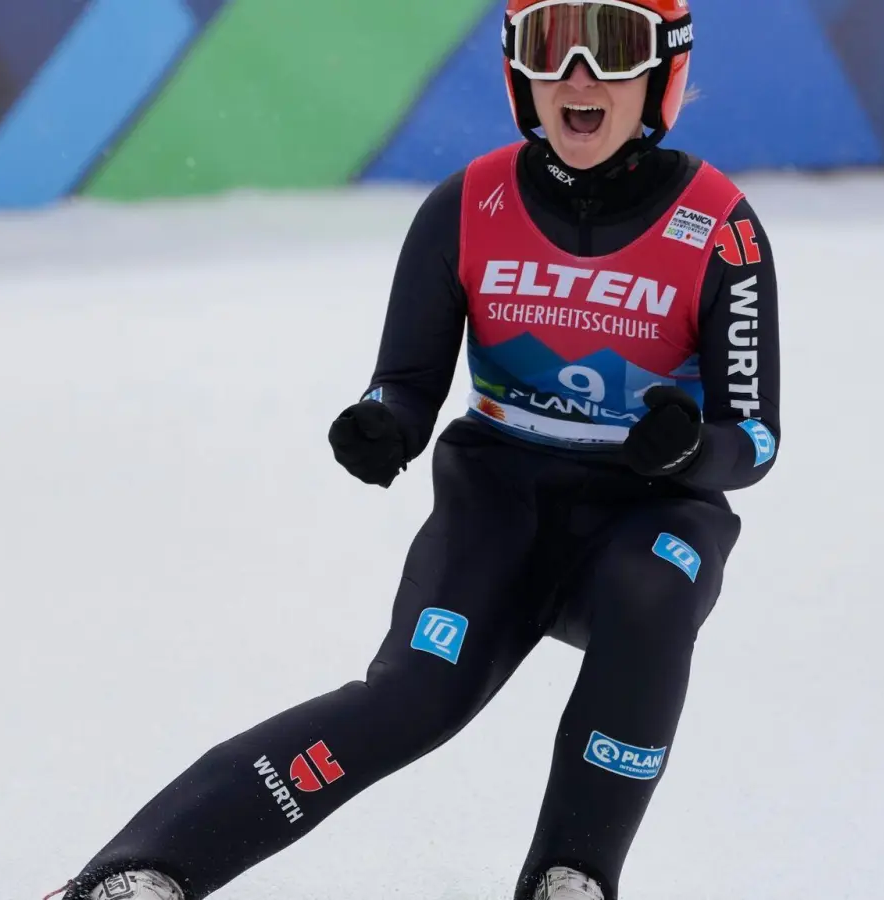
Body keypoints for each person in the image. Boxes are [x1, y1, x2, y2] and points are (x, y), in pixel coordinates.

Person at [51, 1, 779, 898]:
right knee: (411, 700)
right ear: (520, 70)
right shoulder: (468, 205)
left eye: (613, 45)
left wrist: (681, 455)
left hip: (647, 512)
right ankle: (138, 874)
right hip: (502, 500)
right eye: (552, 45)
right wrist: (385, 423)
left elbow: (753, 436)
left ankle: (573, 878)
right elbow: (405, 380)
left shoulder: (719, 225)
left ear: (662, 70)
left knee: (651, 588)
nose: (579, 73)